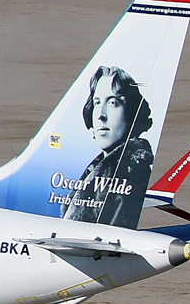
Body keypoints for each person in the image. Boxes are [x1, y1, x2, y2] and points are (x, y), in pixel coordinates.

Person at [62, 65, 154, 227]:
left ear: (131, 112)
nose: (101, 115)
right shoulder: (97, 170)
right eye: (97, 103)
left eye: (113, 102)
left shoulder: (128, 170)